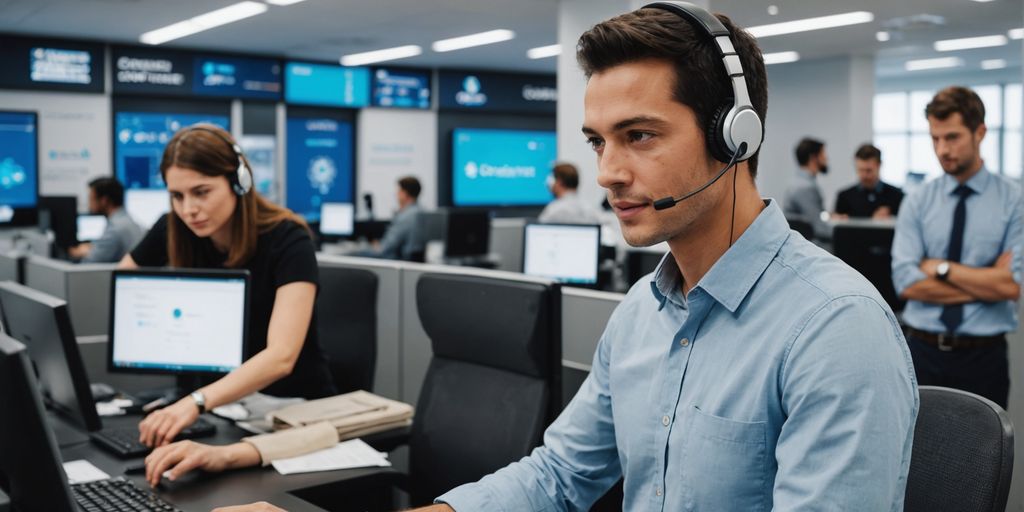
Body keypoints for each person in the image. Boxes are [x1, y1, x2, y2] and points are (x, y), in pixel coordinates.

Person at [201, 4, 919, 511]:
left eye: (639, 136)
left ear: (736, 137)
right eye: (597, 142)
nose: (607, 171)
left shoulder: (834, 327)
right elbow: (558, 478)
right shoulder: (643, 313)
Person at [121, 124, 337, 448]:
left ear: (239, 182)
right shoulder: (174, 228)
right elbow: (125, 282)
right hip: (219, 411)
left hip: (292, 411)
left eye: (201, 192)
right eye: (176, 196)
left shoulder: (288, 238)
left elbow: (282, 355)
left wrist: (195, 402)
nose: (188, 209)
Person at [892, 86, 1022, 409]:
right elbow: (906, 282)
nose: (942, 149)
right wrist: (987, 281)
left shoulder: (1013, 200)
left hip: (984, 357)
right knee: (917, 454)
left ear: (980, 132)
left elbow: (1012, 284)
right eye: (935, 139)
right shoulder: (918, 201)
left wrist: (940, 268)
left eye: (952, 137)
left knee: (983, 457)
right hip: (922, 352)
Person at [67, 177, 143, 263]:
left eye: (91, 198)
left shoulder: (114, 229)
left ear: (104, 200)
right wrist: (92, 248)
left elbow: (88, 264)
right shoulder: (128, 221)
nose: (89, 204)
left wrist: (77, 253)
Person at [358, 176, 425, 261]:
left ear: (405, 194)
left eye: (399, 191)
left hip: (397, 264)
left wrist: (356, 252)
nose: (396, 194)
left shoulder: (405, 216)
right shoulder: (421, 211)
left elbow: (384, 249)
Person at [835, 143, 904, 219]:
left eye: (869, 170)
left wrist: (891, 218)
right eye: (860, 170)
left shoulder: (897, 196)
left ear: (879, 166)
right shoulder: (844, 197)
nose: (864, 175)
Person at [783, 137, 832, 239]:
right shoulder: (806, 187)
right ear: (813, 157)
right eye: (823, 154)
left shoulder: (798, 183)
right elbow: (819, 229)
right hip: (812, 245)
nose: (826, 158)